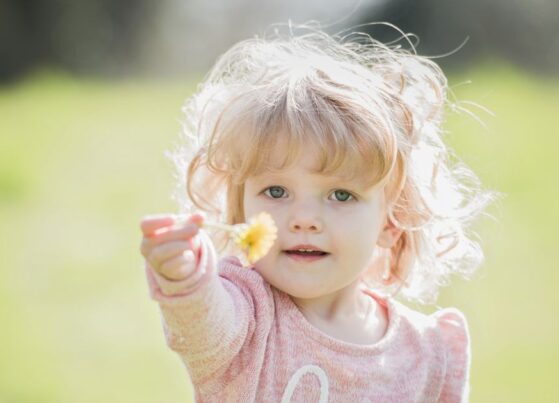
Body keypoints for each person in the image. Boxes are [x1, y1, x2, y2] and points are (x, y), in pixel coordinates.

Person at [139, 22, 497, 402]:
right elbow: (202, 322)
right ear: (240, 207)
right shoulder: (245, 315)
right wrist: (185, 276)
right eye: (276, 191)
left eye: (341, 195)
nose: (304, 218)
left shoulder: (428, 354)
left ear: (391, 220)